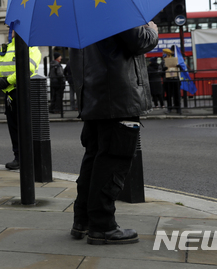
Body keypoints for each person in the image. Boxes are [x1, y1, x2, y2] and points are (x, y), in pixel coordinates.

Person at [68, 22, 158, 245]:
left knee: (94, 159)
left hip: (93, 96)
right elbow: (138, 41)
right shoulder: (115, 3)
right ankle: (103, 226)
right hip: (117, 95)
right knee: (113, 160)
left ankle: (83, 221)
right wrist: (152, 31)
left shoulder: (81, 9)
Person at [0, 28, 42, 170]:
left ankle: (31, 157)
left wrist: (8, 80)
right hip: (10, 94)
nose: (13, 31)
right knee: (14, 127)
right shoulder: (5, 49)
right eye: (12, 29)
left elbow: (28, 67)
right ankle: (19, 157)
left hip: (24, 91)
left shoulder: (32, 47)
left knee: (27, 127)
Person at [163, 47, 181, 113]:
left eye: (166, 55)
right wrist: (163, 69)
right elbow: (159, 72)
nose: (165, 56)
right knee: (168, 95)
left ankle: (178, 108)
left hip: (175, 80)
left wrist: (179, 66)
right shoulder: (163, 62)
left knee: (177, 95)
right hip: (167, 81)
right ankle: (169, 108)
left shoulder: (176, 60)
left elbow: (182, 69)